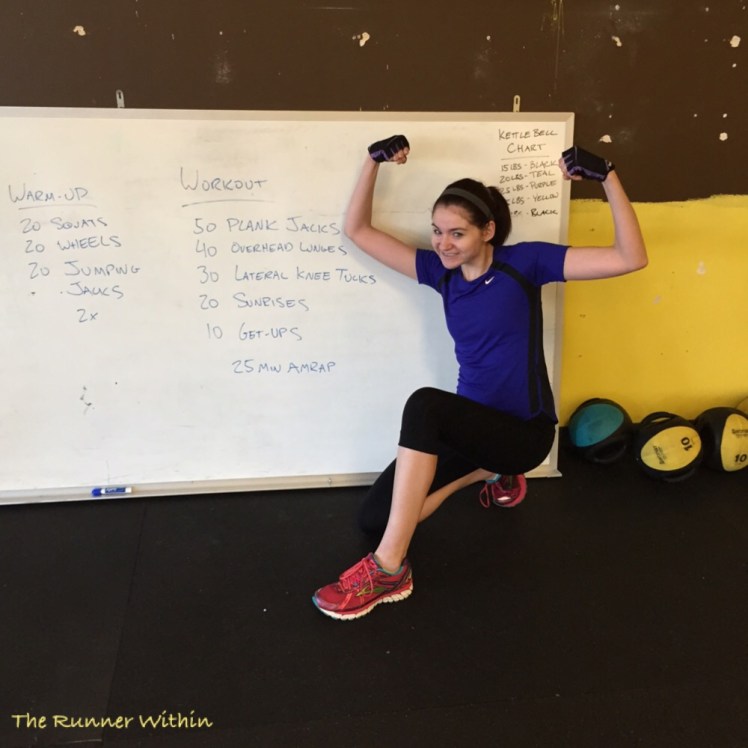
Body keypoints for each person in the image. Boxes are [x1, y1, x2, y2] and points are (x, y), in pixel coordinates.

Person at [312, 135, 648, 621]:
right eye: (437, 231)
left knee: (425, 405)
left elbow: (629, 258)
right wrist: (371, 160)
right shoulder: (440, 272)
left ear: (488, 231)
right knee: (374, 519)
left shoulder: (524, 264)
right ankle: (484, 472)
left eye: (457, 233)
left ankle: (389, 569)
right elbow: (357, 230)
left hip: (524, 434)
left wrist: (608, 176)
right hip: (474, 430)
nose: (443, 243)